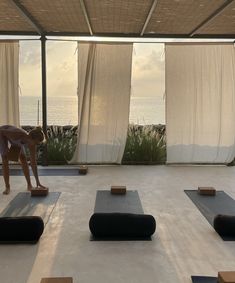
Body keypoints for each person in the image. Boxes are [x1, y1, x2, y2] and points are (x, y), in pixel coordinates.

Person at [0, 125, 48, 194]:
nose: (36, 145)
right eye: (36, 143)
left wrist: (38, 182)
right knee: (5, 158)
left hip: (15, 140)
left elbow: (33, 163)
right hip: (2, 133)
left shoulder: (31, 143)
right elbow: (1, 132)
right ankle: (7, 187)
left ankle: (29, 185)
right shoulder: (17, 134)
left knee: (23, 158)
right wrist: (6, 148)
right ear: (31, 138)